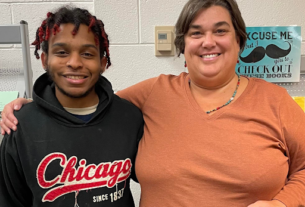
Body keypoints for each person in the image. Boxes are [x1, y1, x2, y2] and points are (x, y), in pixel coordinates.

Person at [1, 0, 305, 206]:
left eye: (220, 31)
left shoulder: (275, 101)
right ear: (183, 46)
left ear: (239, 40)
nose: (208, 41)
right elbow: (88, 107)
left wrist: (282, 203)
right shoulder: (153, 93)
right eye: (196, 33)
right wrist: (31, 108)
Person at [0, 6, 143, 207]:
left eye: (87, 54)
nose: (74, 63)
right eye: (62, 52)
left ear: (103, 63)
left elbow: (157, 178)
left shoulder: (130, 118)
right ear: (44, 60)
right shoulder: (19, 126)